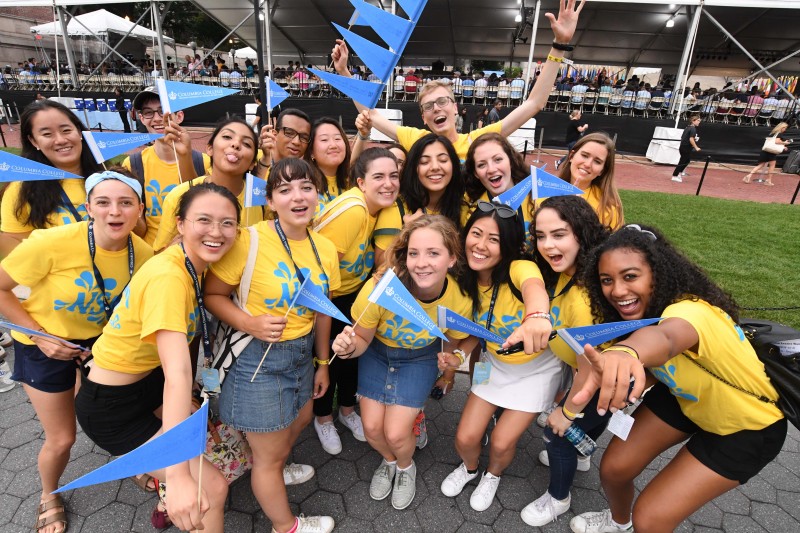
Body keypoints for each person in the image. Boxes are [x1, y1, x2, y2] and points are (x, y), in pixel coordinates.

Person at [568, 224, 787, 533]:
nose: (616, 290)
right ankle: (618, 522)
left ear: (658, 272)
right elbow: (663, 358)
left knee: (651, 519)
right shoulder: (639, 313)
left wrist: (626, 353)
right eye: (607, 280)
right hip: (685, 397)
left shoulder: (691, 312)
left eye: (630, 276)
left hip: (748, 428)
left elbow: (667, 339)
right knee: (615, 468)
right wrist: (636, 378)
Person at [74, 182, 235, 533]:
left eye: (227, 223)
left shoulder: (195, 263)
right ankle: (170, 489)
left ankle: (167, 495)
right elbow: (178, 373)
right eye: (203, 220)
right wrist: (177, 476)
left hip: (148, 384)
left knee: (202, 471)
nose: (216, 232)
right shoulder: (168, 276)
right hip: (112, 409)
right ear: (179, 223)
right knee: (210, 487)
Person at [1, 169, 153, 533]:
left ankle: (127, 460)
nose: (114, 212)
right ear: (89, 207)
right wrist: (39, 336)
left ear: (140, 210)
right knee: (63, 437)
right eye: (103, 202)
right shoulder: (50, 242)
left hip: (99, 346)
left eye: (125, 203)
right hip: (43, 344)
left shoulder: (143, 253)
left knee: (113, 417)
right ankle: (49, 493)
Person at [205, 159, 339, 533]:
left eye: (306, 187)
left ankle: (276, 464)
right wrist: (251, 322)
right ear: (270, 200)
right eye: (284, 190)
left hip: (301, 354)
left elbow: (322, 312)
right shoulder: (250, 239)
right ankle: (286, 526)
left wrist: (322, 362)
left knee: (301, 419)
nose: (297, 197)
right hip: (256, 359)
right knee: (269, 454)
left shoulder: (325, 248)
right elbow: (213, 295)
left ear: (318, 194)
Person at [332, 215, 478, 510]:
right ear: (405, 255)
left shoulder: (459, 298)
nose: (421, 263)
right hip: (377, 353)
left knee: (397, 433)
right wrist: (346, 348)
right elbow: (360, 341)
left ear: (452, 259)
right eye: (414, 253)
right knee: (373, 430)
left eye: (433, 253)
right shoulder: (382, 287)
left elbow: (456, 338)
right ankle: (389, 461)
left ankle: (405, 467)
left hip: (420, 358)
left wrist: (451, 365)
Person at [331, 0, 586, 161]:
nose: (437, 109)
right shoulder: (417, 140)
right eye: (429, 106)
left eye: (442, 101)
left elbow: (533, 104)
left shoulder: (476, 142)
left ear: (455, 108)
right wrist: (344, 73)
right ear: (423, 117)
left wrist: (559, 46)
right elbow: (370, 114)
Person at [438, 202, 558, 512]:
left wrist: (537, 316)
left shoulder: (520, 267)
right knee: (465, 439)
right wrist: (456, 359)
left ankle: (493, 475)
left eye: (494, 239)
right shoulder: (465, 277)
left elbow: (534, 287)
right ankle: (469, 468)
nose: (481, 245)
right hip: (492, 364)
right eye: (476, 234)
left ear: (509, 246)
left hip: (535, 370)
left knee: (503, 442)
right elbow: (476, 332)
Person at [520, 195, 611, 526]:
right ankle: (582, 453)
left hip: (598, 380)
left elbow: (590, 370)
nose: (547, 245)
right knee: (588, 424)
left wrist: (567, 412)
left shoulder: (585, 295)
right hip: (593, 377)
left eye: (559, 234)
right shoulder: (569, 270)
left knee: (557, 436)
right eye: (541, 236)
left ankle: (558, 499)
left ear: (582, 233)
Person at [311, 148, 400, 456]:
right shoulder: (354, 210)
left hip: (351, 292)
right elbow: (322, 272)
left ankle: (347, 411)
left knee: (351, 356)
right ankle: (323, 417)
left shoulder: (375, 209)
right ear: (361, 182)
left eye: (393, 176)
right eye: (379, 177)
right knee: (328, 360)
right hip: (328, 297)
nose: (388, 183)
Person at [0, 100, 105, 257]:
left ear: (78, 131)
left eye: (66, 130)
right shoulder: (22, 189)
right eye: (47, 134)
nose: (60, 140)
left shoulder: (107, 176)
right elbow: (15, 245)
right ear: (34, 141)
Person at [153, 117, 263, 251]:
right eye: (227, 137)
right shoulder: (178, 196)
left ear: (252, 163)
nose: (236, 144)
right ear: (210, 148)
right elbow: (159, 254)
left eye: (247, 144)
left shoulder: (261, 197)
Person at [123, 87, 211, 246]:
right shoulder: (133, 164)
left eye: (163, 111)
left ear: (179, 116)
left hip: (193, 252)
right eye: (149, 112)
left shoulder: (204, 162)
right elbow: (140, 229)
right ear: (142, 118)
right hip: (151, 255)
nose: (157, 118)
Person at [372, 134, 467, 267]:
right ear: (414, 169)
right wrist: (408, 233)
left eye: (443, 160)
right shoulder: (397, 208)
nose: (435, 167)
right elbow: (381, 264)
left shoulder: (463, 207)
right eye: (424, 162)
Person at [550, 132, 623, 231]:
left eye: (597, 162)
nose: (588, 164)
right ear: (571, 156)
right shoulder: (545, 190)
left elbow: (613, 245)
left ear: (602, 170)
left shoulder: (609, 207)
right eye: (584, 155)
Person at [303, 117, 352, 213]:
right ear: (311, 151)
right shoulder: (302, 184)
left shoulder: (352, 183)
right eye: (324, 140)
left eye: (337, 138)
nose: (333, 145)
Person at [255, 108, 313, 174]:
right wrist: (264, 161)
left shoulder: (306, 174)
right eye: (289, 133)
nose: (297, 142)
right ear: (274, 134)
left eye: (304, 137)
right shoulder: (253, 158)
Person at [742, 122, 792, 186]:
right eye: (785, 128)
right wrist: (785, 143)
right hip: (771, 152)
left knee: (760, 165)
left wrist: (783, 146)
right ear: (782, 127)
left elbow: (773, 142)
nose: (785, 129)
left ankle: (749, 175)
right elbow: (777, 142)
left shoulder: (772, 133)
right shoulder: (779, 134)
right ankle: (768, 180)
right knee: (772, 165)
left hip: (766, 150)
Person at [671, 114, 701, 183]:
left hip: (684, 146)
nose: (699, 122)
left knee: (686, 161)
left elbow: (685, 137)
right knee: (682, 161)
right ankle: (675, 176)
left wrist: (694, 139)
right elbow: (691, 139)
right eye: (698, 120)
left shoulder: (688, 127)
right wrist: (696, 147)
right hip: (685, 147)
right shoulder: (693, 129)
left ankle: (679, 174)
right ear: (693, 121)